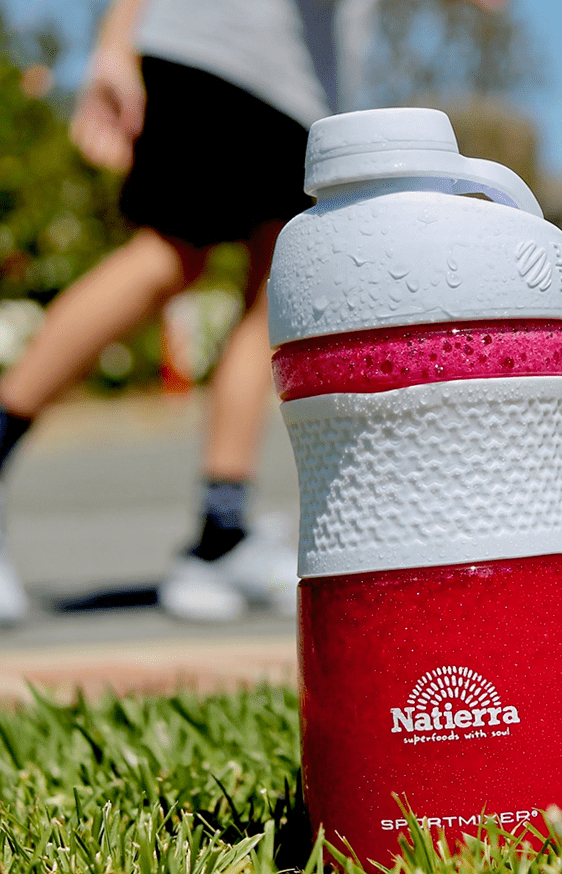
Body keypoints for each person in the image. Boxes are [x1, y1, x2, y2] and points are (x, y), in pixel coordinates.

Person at [0, 0, 340, 624]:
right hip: (218, 46)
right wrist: (114, 43)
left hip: (292, 82)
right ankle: (219, 538)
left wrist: (115, 41)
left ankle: (222, 532)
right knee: (174, 257)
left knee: (277, 284)